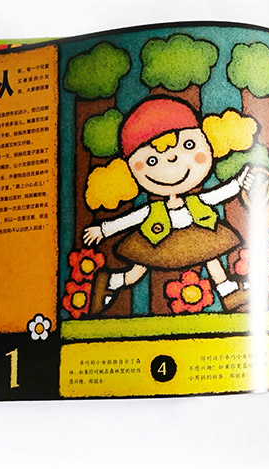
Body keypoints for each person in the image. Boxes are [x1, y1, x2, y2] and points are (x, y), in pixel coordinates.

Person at [84, 96, 256, 313]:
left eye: (188, 145)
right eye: (152, 161)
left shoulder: (195, 201)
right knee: (137, 271)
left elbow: (217, 195)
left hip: (195, 236)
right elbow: (130, 219)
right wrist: (103, 229)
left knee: (212, 257)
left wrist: (239, 182)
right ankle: (111, 282)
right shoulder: (154, 209)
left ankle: (228, 292)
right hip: (158, 240)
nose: (173, 161)